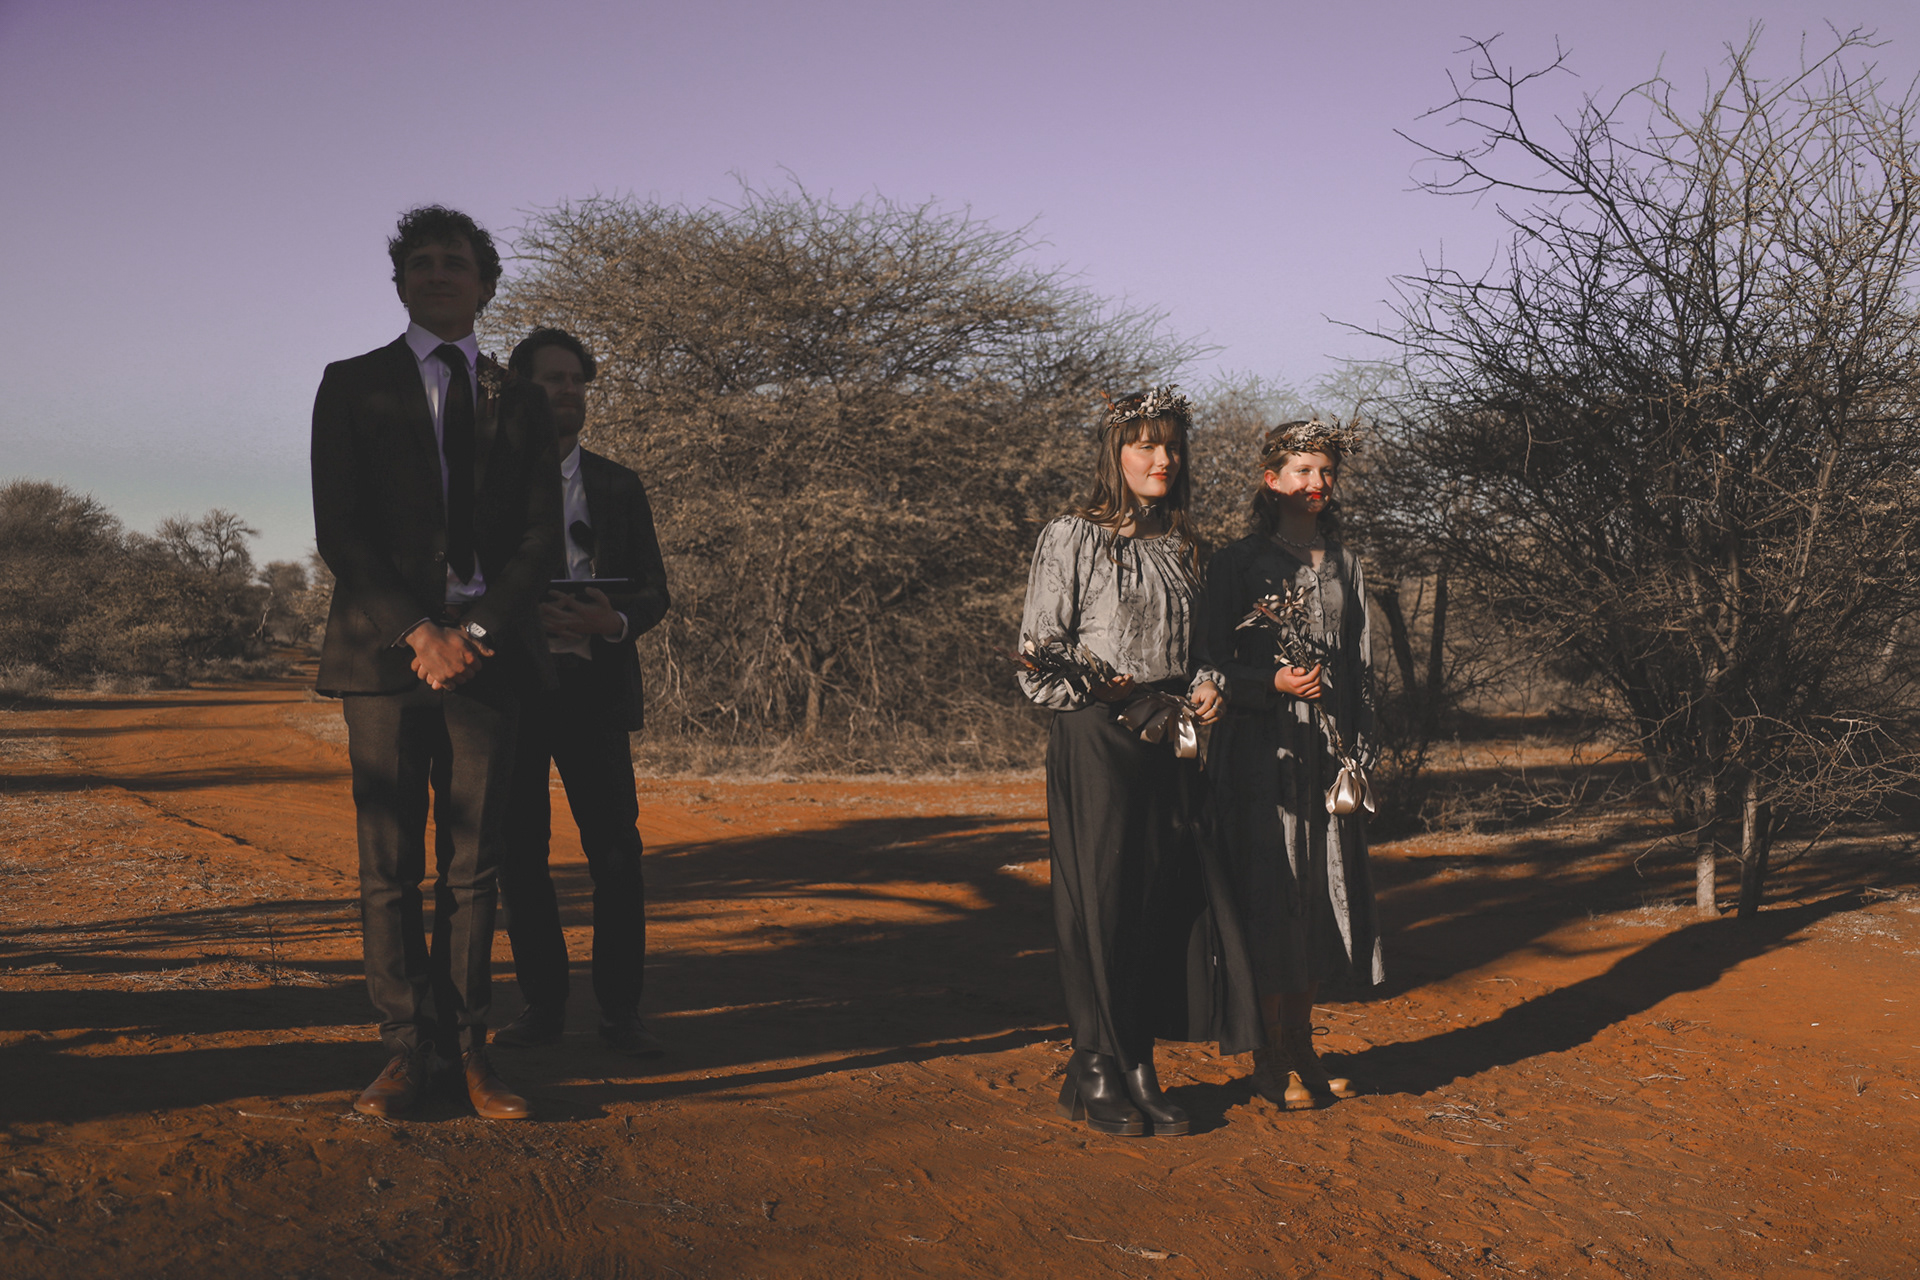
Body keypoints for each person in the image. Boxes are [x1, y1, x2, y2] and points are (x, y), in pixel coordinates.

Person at [311, 205, 563, 1121]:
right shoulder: (351, 383)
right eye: (421, 263)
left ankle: (468, 1054)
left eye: (455, 262)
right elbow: (339, 528)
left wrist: (478, 632)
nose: (437, 273)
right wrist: (421, 632)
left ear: (485, 285)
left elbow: (540, 537)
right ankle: (403, 1053)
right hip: (385, 655)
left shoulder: (519, 398)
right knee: (389, 868)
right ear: (400, 284)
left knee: (474, 866)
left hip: (486, 659)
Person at [1016, 386, 1261, 1138]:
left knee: (1161, 902)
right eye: (1146, 444)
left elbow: (1207, 649)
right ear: (1115, 452)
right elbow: (1038, 656)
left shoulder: (1187, 547)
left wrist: (1210, 686)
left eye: (1172, 446)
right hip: (1097, 734)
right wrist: (1105, 687)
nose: (1162, 459)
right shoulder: (1072, 536)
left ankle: (1137, 1062)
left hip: (1172, 738)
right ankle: (1097, 1064)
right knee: (1102, 900)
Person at [491, 327, 672, 1056]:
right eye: (552, 380)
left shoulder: (618, 484)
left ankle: (622, 1013)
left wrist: (612, 621)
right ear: (519, 390)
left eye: (577, 380)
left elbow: (655, 590)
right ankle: (543, 1006)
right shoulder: (488, 484)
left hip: (595, 690)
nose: (567, 391)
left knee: (616, 855)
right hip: (514, 690)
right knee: (520, 854)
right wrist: (512, 616)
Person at [1200, 419, 1385, 1110]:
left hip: (1328, 757)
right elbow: (1207, 661)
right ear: (1271, 479)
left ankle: (1302, 1044)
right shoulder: (1236, 562)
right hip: (1260, 755)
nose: (1317, 482)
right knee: (1271, 894)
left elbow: (1363, 668)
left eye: (1326, 470)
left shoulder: (1345, 565)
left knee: (1318, 896)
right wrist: (1268, 684)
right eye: (1303, 470)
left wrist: (1361, 751)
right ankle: (1269, 1056)